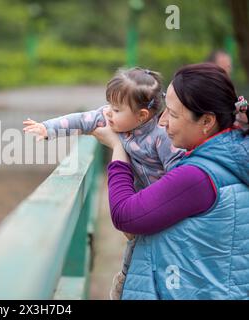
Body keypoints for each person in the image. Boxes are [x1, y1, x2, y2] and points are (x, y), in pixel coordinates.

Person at [22, 67, 184, 299]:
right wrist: (47, 128)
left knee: (159, 252)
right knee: (134, 247)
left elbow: (177, 177)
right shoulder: (112, 118)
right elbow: (81, 120)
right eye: (108, 104)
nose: (107, 113)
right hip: (139, 206)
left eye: (116, 109)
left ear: (141, 116)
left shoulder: (161, 137)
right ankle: (126, 282)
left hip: (161, 205)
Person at [92, 63, 249, 299]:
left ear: (207, 122)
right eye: (165, 110)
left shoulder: (197, 176)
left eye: (173, 114)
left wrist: (117, 148)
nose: (162, 121)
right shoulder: (234, 154)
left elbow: (125, 215)